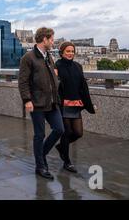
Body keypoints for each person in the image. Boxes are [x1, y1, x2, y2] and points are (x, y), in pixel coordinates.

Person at [18, 27, 64, 180]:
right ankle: (40, 166)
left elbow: (52, 77)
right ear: (44, 39)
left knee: (59, 129)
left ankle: (41, 154)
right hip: (36, 103)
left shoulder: (49, 56)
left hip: (52, 101)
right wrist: (27, 100)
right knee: (40, 134)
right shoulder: (28, 57)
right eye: (51, 39)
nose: (53, 42)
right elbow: (23, 81)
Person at [55, 41, 96, 173]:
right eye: (68, 51)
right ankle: (67, 161)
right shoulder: (57, 66)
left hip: (76, 104)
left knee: (78, 133)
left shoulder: (78, 66)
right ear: (62, 52)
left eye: (72, 51)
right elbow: (56, 87)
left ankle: (61, 147)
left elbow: (83, 87)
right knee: (66, 133)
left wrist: (89, 105)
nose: (70, 53)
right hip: (64, 105)